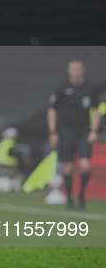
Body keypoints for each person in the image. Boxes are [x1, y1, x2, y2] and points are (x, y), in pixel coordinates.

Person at [48, 59, 101, 210]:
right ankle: (70, 199)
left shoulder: (91, 88)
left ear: (83, 69)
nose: (76, 71)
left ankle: (81, 194)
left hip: (84, 131)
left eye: (78, 69)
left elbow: (96, 109)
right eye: (73, 69)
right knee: (68, 167)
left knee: (85, 166)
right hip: (66, 131)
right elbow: (52, 109)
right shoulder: (62, 88)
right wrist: (53, 131)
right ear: (68, 70)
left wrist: (94, 131)